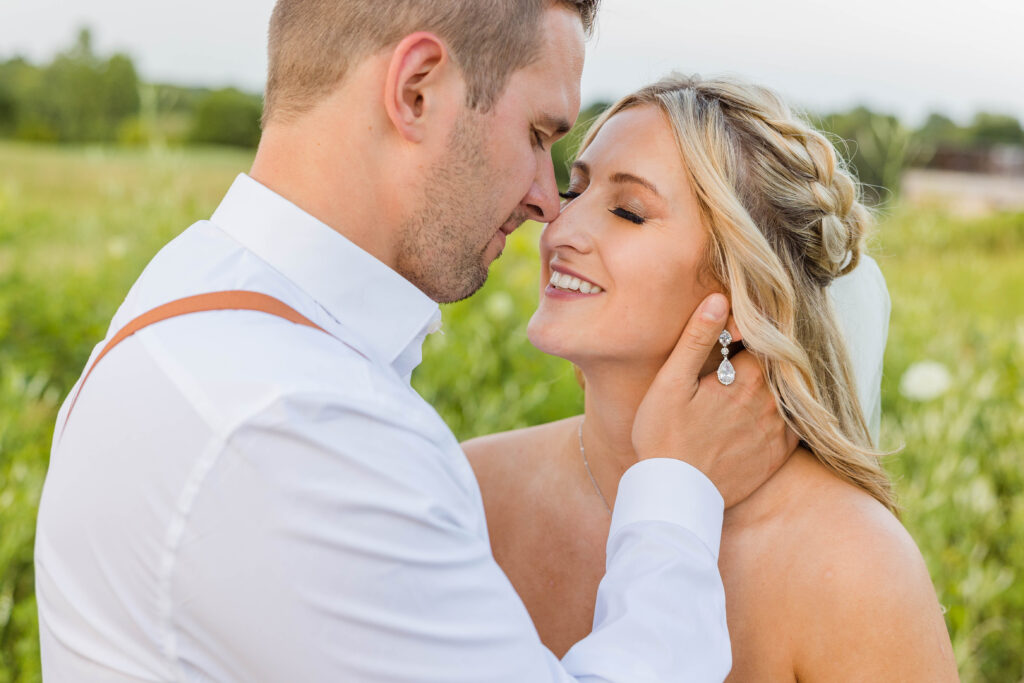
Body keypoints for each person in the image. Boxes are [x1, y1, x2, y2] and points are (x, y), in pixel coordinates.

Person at [34, 3, 795, 681]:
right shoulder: (303, 423)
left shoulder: (192, 302)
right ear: (417, 89)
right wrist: (675, 493)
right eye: (537, 134)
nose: (545, 200)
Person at [465, 75, 959, 681]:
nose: (559, 231)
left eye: (629, 211)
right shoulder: (471, 487)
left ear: (744, 284)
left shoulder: (848, 563)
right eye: (576, 190)